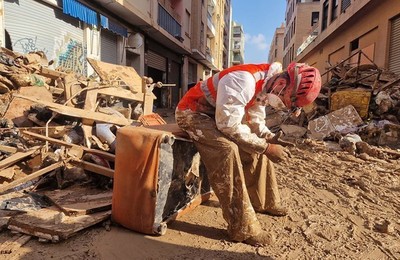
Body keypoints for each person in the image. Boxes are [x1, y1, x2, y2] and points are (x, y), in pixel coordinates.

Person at [175, 62, 321, 246]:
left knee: (259, 145)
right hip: (192, 113)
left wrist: (268, 138)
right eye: (286, 98)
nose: (282, 103)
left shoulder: (265, 85)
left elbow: (254, 118)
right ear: (282, 84)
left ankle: (264, 202)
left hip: (217, 116)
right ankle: (242, 229)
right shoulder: (242, 80)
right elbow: (228, 125)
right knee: (226, 150)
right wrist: (266, 148)